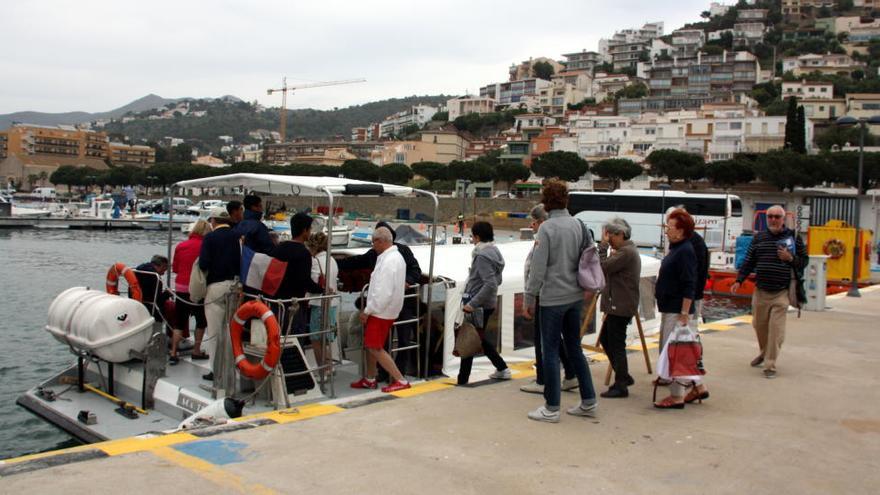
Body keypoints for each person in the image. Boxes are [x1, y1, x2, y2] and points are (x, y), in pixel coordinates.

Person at [524, 179, 597, 423]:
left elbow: (538, 267)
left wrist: (529, 296)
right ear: (566, 200)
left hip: (552, 298)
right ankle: (588, 400)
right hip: (575, 295)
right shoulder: (579, 225)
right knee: (574, 348)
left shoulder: (546, 229)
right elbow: (588, 256)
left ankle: (551, 407)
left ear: (545, 203)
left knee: (551, 351)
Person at [337, 221, 422, 377]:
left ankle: (399, 374)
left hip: (403, 303)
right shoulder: (374, 254)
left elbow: (416, 270)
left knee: (403, 339)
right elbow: (355, 262)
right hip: (383, 307)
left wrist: (406, 282)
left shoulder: (402, 252)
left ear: (384, 239)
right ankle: (383, 374)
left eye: (376, 239)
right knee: (382, 342)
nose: (373, 243)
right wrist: (333, 261)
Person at [732, 205, 807, 379]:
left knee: (776, 330)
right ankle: (764, 352)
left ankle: (770, 364)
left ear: (783, 219)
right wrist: (739, 280)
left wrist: (791, 258)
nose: (773, 220)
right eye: (770, 216)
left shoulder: (793, 238)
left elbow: (804, 261)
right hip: (761, 291)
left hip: (781, 292)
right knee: (759, 326)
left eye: (777, 217)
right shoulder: (759, 238)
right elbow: (749, 261)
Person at [653, 208, 708, 409]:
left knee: (673, 352)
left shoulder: (684, 251)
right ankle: (699, 386)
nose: (667, 230)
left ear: (681, 230)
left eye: (670, 227)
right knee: (682, 350)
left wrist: (685, 313)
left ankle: (676, 396)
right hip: (672, 306)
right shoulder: (678, 248)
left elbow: (689, 283)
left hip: (677, 309)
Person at [520, 204, 578, 394]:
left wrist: (529, 297)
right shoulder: (574, 227)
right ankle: (570, 374)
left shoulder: (545, 236)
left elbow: (537, 269)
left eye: (534, 222)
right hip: (568, 294)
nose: (532, 226)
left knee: (543, 339)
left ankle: (543, 381)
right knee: (560, 338)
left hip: (546, 294)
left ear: (542, 221)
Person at [350, 227, 411, 393]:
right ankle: (370, 377)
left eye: (374, 242)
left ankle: (400, 379)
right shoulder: (395, 258)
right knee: (372, 344)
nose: (372, 246)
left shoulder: (389, 261)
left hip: (381, 311)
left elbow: (383, 291)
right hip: (388, 309)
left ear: (381, 241)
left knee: (374, 346)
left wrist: (368, 310)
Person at [457, 221, 510, 385]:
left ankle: (463, 379)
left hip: (478, 305)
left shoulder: (482, 257)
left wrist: (472, 303)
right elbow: (496, 280)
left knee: (470, 338)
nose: (472, 239)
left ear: (477, 237)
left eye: (472, 236)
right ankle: (501, 367)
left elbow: (490, 283)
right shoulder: (495, 252)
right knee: (477, 337)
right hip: (487, 303)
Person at [596, 217, 641, 398]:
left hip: (620, 305)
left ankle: (621, 384)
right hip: (619, 303)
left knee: (616, 343)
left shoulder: (626, 253)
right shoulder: (626, 251)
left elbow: (602, 266)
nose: (608, 239)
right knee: (607, 339)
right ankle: (623, 375)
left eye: (610, 236)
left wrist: (602, 247)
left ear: (620, 234)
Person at [198, 207, 241, 379]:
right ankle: (231, 365)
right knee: (231, 330)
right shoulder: (237, 237)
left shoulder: (210, 238)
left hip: (215, 286)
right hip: (234, 285)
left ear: (213, 221)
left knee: (215, 332)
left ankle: (216, 370)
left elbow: (203, 264)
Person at [270, 213, 324, 336]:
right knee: (294, 338)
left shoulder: (279, 248)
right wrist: (321, 289)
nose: (310, 232)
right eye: (309, 229)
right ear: (305, 230)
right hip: (295, 304)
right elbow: (305, 280)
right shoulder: (303, 253)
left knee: (277, 337)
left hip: (276, 303)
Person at [171, 219, 211, 365]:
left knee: (179, 322)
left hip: (180, 288)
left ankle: (174, 351)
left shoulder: (181, 246)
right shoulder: (206, 247)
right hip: (197, 289)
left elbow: (175, 268)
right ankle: (196, 350)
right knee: (201, 320)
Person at [306, 232, 339, 376]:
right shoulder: (332, 260)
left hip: (319, 303)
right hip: (332, 303)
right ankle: (329, 366)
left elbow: (313, 282)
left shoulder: (315, 261)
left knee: (316, 339)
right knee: (326, 338)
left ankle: (322, 369)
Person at [133, 255, 172, 322]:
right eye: (164, 270)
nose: (163, 274)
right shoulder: (155, 277)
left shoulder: (137, 271)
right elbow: (158, 300)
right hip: (151, 310)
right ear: (162, 266)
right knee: (172, 307)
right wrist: (167, 293)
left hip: (137, 305)